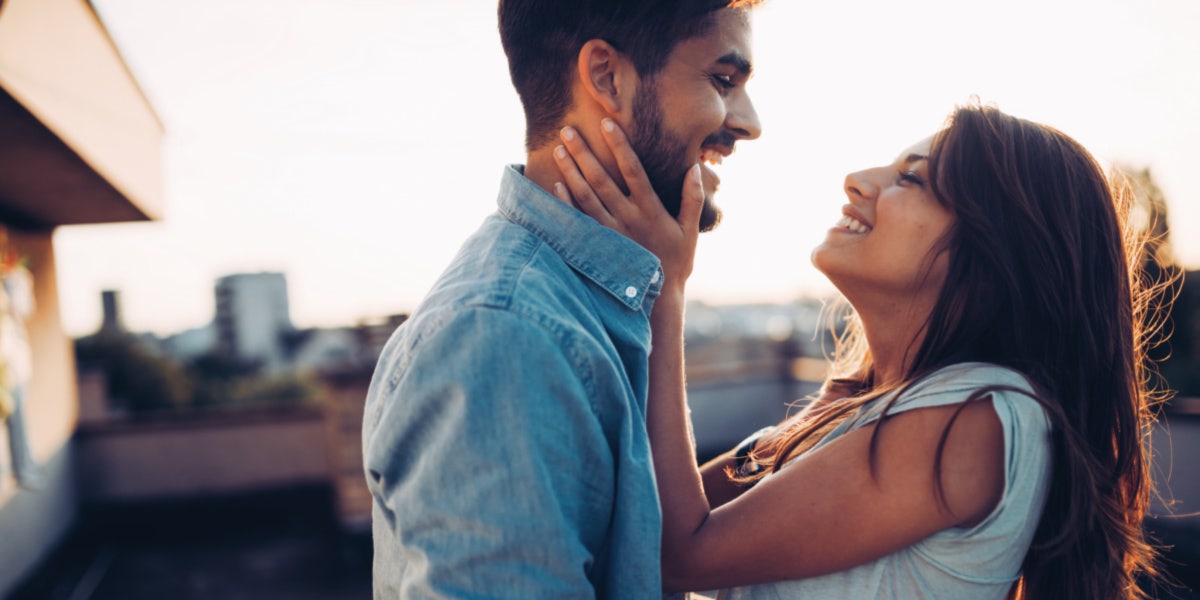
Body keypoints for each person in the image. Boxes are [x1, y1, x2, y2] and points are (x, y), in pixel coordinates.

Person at [552, 102, 1165, 599]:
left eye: (913, 179)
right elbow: (645, 512)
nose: (859, 180)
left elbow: (675, 551)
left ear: (994, 258)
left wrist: (663, 286)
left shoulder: (979, 417)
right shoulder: (861, 402)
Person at [361, 1, 763, 597]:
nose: (750, 122)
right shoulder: (505, 337)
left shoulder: (575, 308)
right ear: (605, 76)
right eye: (723, 81)